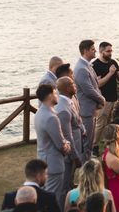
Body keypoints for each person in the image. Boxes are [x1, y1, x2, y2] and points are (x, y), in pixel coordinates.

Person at [35, 83, 71, 206]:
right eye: (55, 93)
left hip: (43, 159)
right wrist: (68, 145)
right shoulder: (51, 117)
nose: (57, 96)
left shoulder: (39, 113)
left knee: (46, 196)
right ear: (50, 95)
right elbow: (60, 144)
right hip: (53, 164)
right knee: (54, 198)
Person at [92, 42, 119, 155]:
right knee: (100, 124)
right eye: (108, 51)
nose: (110, 53)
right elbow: (98, 84)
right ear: (101, 51)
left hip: (114, 98)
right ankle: (94, 146)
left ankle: (109, 145)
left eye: (111, 51)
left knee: (111, 123)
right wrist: (110, 73)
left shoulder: (113, 62)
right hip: (103, 100)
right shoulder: (95, 65)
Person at [75, 39, 106, 161]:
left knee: (90, 142)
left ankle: (87, 166)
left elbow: (95, 85)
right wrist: (102, 99)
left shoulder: (88, 65)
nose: (95, 51)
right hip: (86, 111)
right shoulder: (81, 68)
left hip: (91, 110)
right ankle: (85, 169)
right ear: (85, 51)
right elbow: (88, 90)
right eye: (92, 49)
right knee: (86, 143)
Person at [56, 76, 83, 205]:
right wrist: (75, 157)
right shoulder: (63, 108)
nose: (75, 85)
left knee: (69, 183)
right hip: (69, 155)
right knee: (64, 187)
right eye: (72, 84)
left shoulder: (69, 101)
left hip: (76, 147)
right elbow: (67, 136)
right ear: (67, 88)